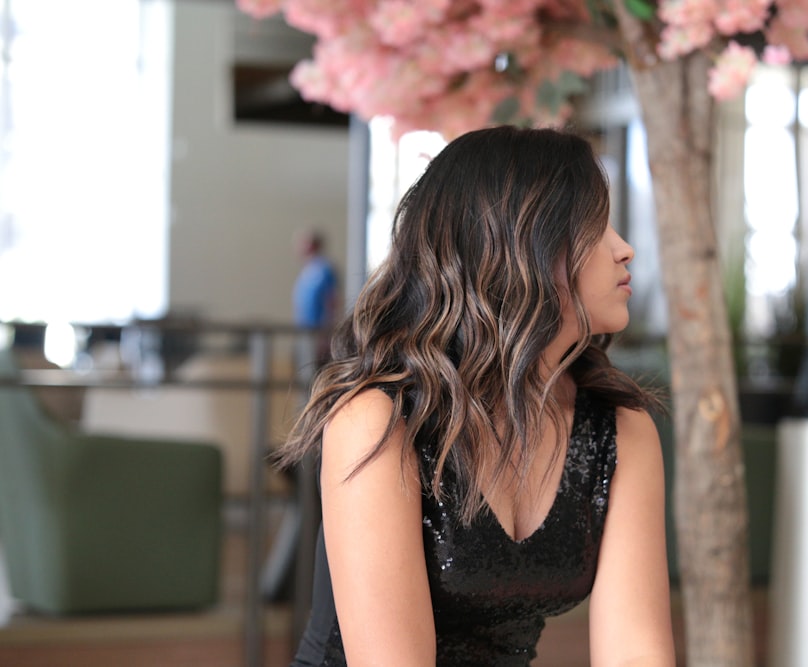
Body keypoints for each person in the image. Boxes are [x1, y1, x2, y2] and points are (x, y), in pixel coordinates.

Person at [280, 125, 676, 666]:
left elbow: (637, 653)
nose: (625, 249)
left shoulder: (619, 430)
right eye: (596, 226)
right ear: (518, 244)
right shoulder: (378, 420)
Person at [293, 229, 340, 371]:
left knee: (316, 370)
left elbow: (331, 300)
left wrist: (326, 334)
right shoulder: (307, 270)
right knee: (304, 370)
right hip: (305, 329)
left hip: (319, 331)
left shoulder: (324, 269)